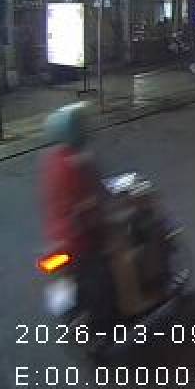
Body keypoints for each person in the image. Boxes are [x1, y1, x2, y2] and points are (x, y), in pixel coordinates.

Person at [39, 103, 114, 325]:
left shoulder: (50, 159)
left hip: (55, 233)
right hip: (79, 236)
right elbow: (93, 197)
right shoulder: (79, 162)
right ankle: (104, 321)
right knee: (108, 260)